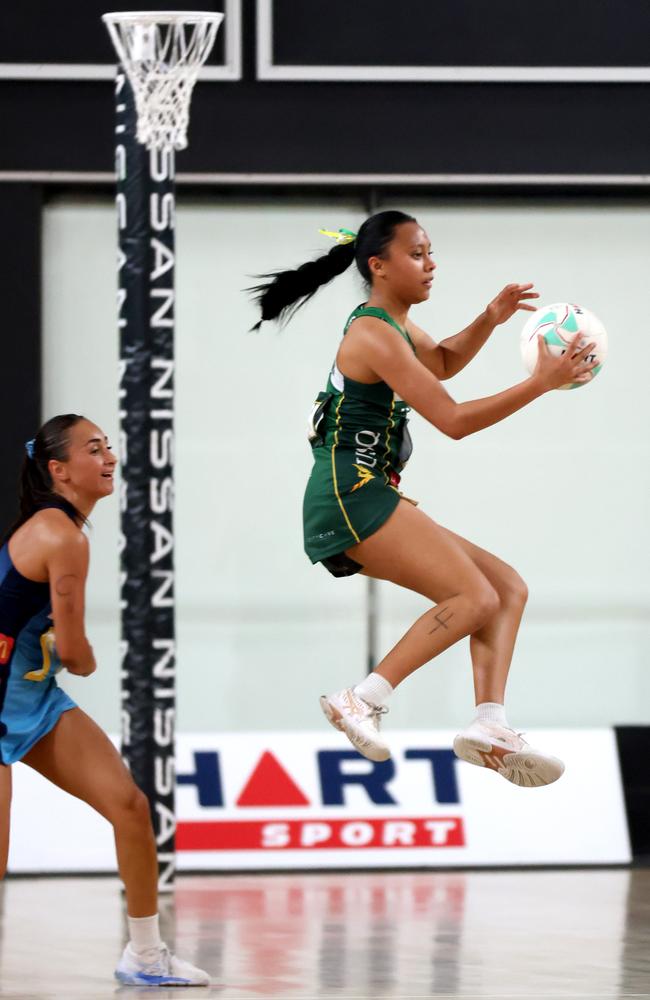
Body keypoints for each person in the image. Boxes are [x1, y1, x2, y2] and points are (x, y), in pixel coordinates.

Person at [252, 210, 597, 787]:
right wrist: (541, 382)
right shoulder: (372, 334)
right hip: (347, 493)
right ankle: (361, 698)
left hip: (368, 489)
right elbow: (454, 421)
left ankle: (490, 723)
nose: (431, 264)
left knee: (506, 587)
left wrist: (489, 319)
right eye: (418, 254)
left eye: (431, 252)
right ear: (378, 266)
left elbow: (442, 363)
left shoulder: (395, 327)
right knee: (474, 595)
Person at [0, 414, 209, 987]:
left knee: (129, 806)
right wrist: (87, 658)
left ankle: (145, 955)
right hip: (9, 698)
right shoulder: (61, 535)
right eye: (94, 449)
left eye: (109, 447)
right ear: (59, 470)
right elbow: (74, 650)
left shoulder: (64, 529)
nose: (109, 458)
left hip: (33, 700)